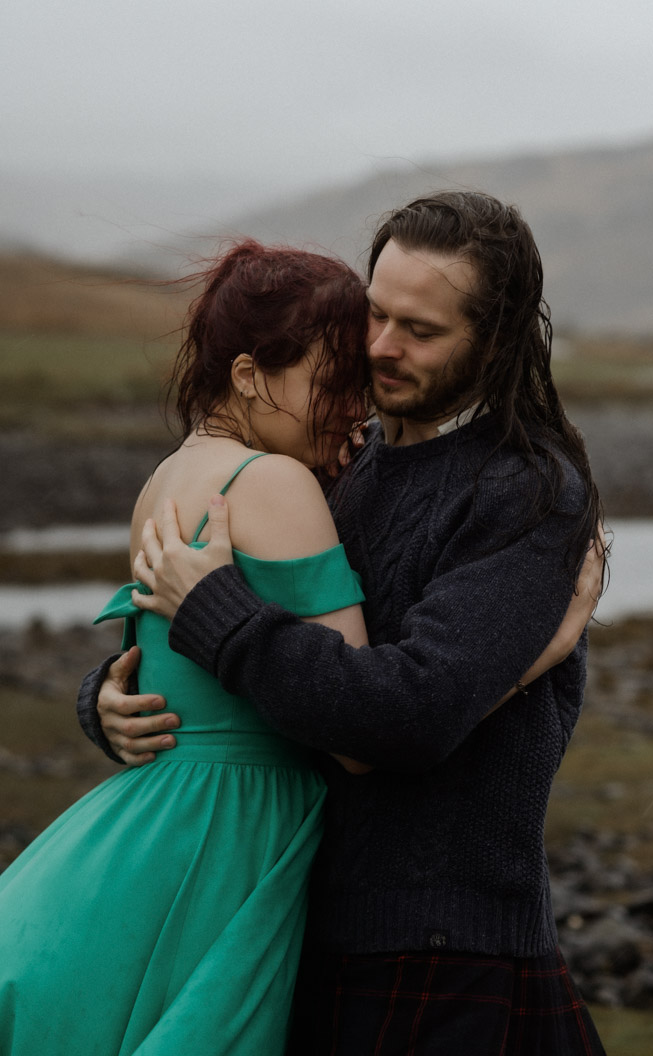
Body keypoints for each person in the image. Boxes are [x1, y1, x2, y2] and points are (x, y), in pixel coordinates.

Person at [81, 192, 608, 1054]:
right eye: (375, 313)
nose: (378, 347)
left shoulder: (523, 492)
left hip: (441, 945)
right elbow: (239, 661)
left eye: (421, 330)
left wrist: (215, 609)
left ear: (498, 337)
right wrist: (110, 695)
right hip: (294, 924)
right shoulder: (332, 464)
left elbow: (407, 713)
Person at [0, 241, 376, 1055]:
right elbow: (354, 724)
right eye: (333, 380)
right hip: (235, 832)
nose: (356, 407)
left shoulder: (166, 479)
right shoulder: (274, 483)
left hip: (151, 822)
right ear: (249, 376)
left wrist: (98, 700)